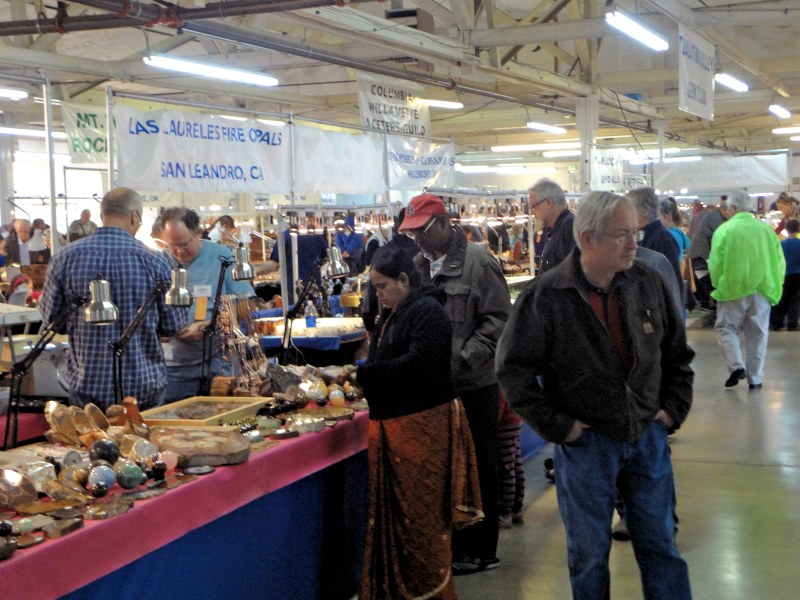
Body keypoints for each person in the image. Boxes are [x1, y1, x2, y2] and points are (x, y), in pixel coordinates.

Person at [496, 191, 694, 599]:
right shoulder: (546, 296)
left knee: (661, 549)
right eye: (622, 235)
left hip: (647, 437)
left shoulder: (647, 282)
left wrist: (672, 410)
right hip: (586, 446)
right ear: (588, 238)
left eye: (635, 233)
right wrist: (561, 428)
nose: (634, 243)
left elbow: (677, 353)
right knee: (588, 557)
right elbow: (513, 371)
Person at [354, 247, 482, 599]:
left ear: (404, 279)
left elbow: (418, 364)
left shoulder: (428, 312)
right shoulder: (392, 314)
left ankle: (430, 592)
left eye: (382, 287)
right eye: (374, 288)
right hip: (397, 427)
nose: (378, 295)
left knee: (422, 520)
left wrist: (366, 374)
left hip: (423, 430)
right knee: (400, 521)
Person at [399, 193, 511, 575]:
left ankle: (482, 550)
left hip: (474, 385)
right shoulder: (417, 267)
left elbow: (499, 321)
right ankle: (451, 545)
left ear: (445, 223)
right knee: (446, 467)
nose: (418, 239)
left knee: (479, 465)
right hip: (434, 388)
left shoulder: (480, 264)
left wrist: (463, 357)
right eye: (412, 233)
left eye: (423, 231)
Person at [39, 188, 189, 410]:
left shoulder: (65, 258)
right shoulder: (156, 261)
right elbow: (173, 324)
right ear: (134, 216)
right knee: (143, 434)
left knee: (90, 434)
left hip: (87, 384)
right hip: (143, 383)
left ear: (102, 215)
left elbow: (53, 321)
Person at [157, 207, 255, 402]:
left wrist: (212, 324)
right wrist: (163, 330)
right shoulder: (160, 262)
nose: (179, 252)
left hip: (220, 360)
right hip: (175, 367)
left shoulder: (221, 256)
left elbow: (247, 304)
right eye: (172, 246)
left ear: (199, 233)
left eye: (184, 244)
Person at [709, 190, 785, 390]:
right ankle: (755, 379)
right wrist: (776, 284)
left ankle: (736, 366)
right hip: (763, 288)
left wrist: (718, 284)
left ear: (732, 208)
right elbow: (780, 262)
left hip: (732, 288)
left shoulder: (724, 230)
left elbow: (715, 262)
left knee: (726, 328)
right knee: (758, 334)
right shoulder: (767, 231)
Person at [362, 208, 419, 333]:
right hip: (421, 320)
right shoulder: (425, 252)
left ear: (398, 225)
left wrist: (369, 322)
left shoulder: (383, 251)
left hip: (391, 322)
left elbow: (373, 290)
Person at [627, 187, 682, 288]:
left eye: (628, 209)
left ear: (643, 211)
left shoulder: (662, 238)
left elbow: (672, 282)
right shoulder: (643, 235)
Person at [687, 197, 729, 310]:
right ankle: (710, 305)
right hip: (701, 256)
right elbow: (720, 240)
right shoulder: (716, 219)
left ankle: (709, 304)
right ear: (726, 211)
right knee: (708, 281)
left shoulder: (715, 216)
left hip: (699, 255)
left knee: (705, 280)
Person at [528, 178, 575, 273]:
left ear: (549, 202)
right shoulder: (553, 230)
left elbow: (572, 273)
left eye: (534, 207)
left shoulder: (569, 226)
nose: (533, 213)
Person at [770, 219, 800, 331]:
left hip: (784, 274)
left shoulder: (781, 244)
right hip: (798, 274)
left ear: (786, 229)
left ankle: (777, 323)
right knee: (795, 300)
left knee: (782, 298)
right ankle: (792, 324)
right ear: (798, 229)